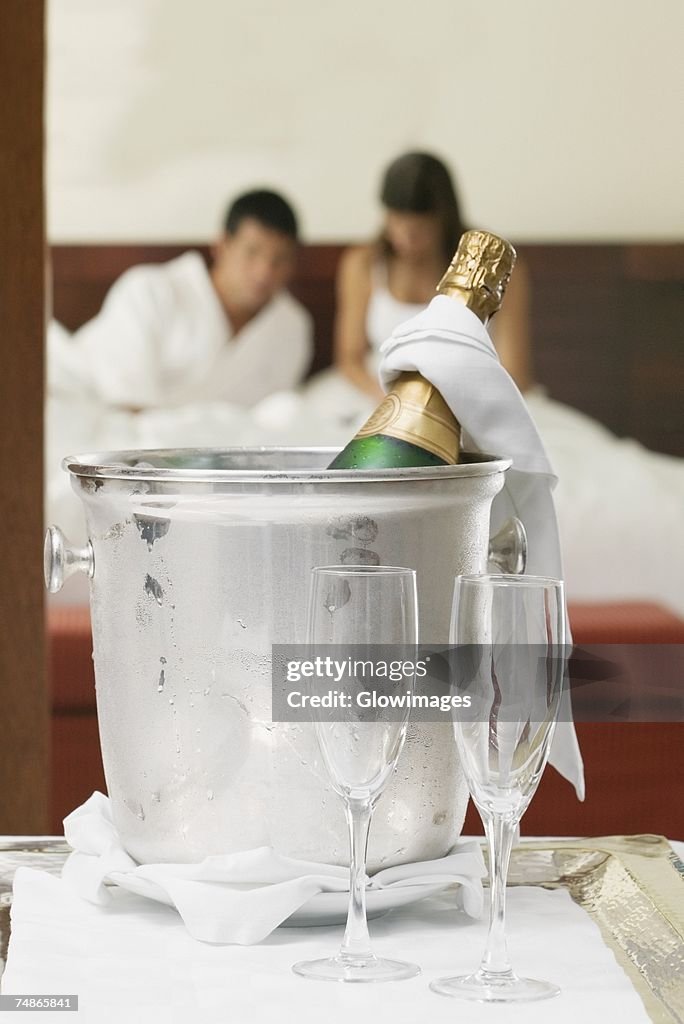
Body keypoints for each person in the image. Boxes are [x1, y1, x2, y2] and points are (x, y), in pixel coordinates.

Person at [49, 190, 313, 410]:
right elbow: (125, 404)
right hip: (90, 411)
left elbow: (269, 418)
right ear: (222, 246)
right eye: (252, 253)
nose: (264, 272)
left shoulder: (291, 325)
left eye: (280, 259)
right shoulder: (151, 292)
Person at [333, 151, 533, 400]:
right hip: (379, 397)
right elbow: (350, 359)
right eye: (395, 222)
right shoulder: (363, 264)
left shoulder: (496, 268)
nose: (405, 238)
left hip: (475, 401)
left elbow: (515, 373)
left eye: (419, 229)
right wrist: (392, 402)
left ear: (444, 218)